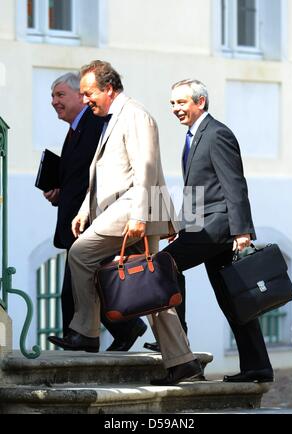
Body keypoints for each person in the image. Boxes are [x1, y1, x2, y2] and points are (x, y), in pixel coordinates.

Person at [48, 61, 203, 386]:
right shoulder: (111, 118)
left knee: (80, 254)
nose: (85, 98)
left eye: (88, 93)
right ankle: (182, 362)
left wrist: (137, 216)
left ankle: (86, 331)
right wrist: (83, 211)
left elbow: (145, 167)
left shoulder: (134, 115)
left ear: (108, 88)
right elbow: (105, 170)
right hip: (121, 211)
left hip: (133, 209)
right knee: (151, 289)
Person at [162, 78, 273, 383]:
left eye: (181, 102)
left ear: (200, 102)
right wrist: (183, 227)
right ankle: (258, 367)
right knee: (233, 297)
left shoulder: (217, 133)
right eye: (172, 103)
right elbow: (198, 190)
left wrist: (242, 231)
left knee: (163, 265)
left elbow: (234, 184)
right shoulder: (192, 137)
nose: (175, 109)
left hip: (219, 227)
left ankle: (176, 342)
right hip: (203, 225)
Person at [44, 72, 147, 351]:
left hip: (97, 217)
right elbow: (81, 176)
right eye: (53, 96)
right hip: (78, 218)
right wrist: (60, 192)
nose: (54, 102)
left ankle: (82, 345)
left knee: (74, 289)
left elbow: (108, 173)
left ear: (81, 95)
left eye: (60, 95)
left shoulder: (96, 123)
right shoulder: (77, 127)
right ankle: (123, 328)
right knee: (85, 284)